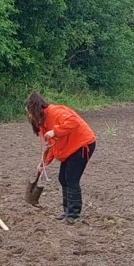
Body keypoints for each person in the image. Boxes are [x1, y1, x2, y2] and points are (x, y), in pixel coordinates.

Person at [26, 92, 97, 222]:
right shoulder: (43, 124)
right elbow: (51, 146)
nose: (30, 116)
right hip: (71, 148)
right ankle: (67, 212)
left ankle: (74, 215)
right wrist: (43, 164)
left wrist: (55, 131)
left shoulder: (56, 112)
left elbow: (74, 121)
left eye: (30, 112)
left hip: (82, 144)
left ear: (36, 108)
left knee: (71, 178)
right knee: (63, 178)